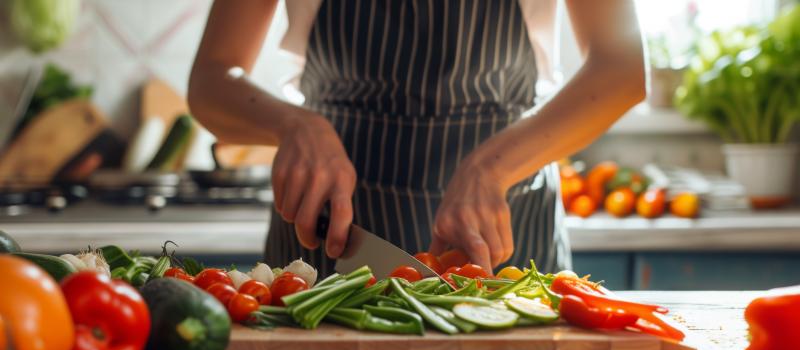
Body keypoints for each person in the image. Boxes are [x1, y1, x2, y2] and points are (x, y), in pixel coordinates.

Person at [189, 0, 645, 276]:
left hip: (506, 210)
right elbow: (209, 80)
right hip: (330, 232)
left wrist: (492, 167)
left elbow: (620, 70)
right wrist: (292, 124)